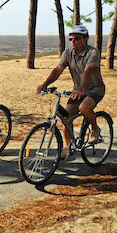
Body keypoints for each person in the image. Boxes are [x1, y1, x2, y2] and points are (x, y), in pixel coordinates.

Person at [36, 25, 105, 158]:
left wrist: (81, 89)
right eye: (71, 39)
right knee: (66, 117)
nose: (73, 41)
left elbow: (88, 71)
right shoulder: (68, 53)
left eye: (77, 39)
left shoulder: (93, 53)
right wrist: (44, 84)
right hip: (78, 90)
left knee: (84, 108)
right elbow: (58, 70)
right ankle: (68, 146)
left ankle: (95, 128)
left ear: (85, 39)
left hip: (95, 89)